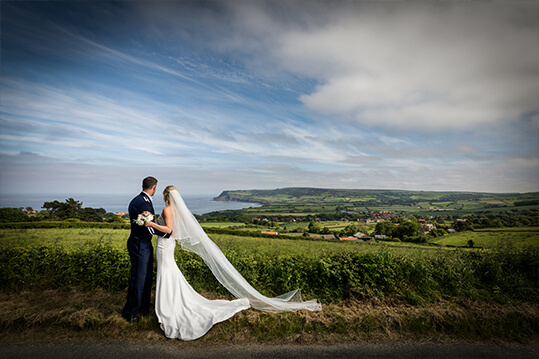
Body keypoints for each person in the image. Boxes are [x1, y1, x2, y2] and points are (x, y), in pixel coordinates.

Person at [147, 185, 321, 340]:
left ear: (165, 195)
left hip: (165, 245)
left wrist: (151, 224)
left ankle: (170, 307)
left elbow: (169, 230)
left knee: (167, 272)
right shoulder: (176, 210)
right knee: (170, 273)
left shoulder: (168, 209)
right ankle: (172, 301)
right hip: (167, 246)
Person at [122, 176, 171, 323]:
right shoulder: (143, 203)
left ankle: (143, 308)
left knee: (145, 277)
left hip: (141, 243)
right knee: (139, 278)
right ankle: (132, 313)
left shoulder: (137, 200)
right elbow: (148, 226)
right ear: (154, 187)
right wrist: (166, 233)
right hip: (140, 244)